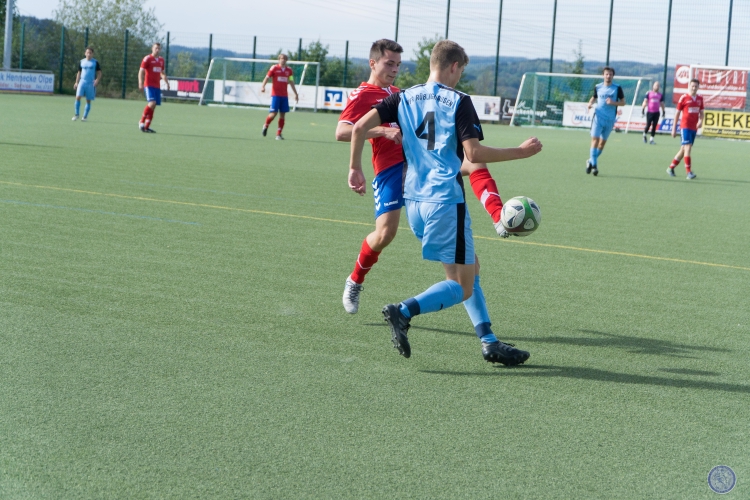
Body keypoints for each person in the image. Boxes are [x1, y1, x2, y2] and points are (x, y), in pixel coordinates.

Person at [349, 40, 542, 365]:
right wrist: (520, 152)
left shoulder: (403, 96)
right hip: (445, 203)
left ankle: (489, 341)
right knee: (461, 286)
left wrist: (355, 168)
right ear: (454, 66)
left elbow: (358, 128)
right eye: (461, 70)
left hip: (415, 202)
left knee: (470, 267)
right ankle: (403, 311)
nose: (460, 76)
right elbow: (474, 154)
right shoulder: (459, 100)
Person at [337, 39, 510, 315]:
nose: (395, 69)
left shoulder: (401, 93)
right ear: (373, 63)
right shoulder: (362, 95)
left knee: (475, 162)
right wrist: (381, 132)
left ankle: (499, 217)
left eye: (398, 64)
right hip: (390, 170)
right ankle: (355, 279)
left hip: (422, 167)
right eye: (389, 64)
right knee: (385, 233)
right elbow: (343, 131)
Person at [585, 67, 625, 175]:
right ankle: (594, 166)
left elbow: (623, 102)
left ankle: (590, 161)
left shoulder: (617, 88)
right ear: (603, 75)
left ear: (613, 76)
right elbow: (594, 97)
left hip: (610, 120)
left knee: (601, 144)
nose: (608, 76)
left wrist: (613, 102)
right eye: (606, 74)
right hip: (598, 118)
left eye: (610, 74)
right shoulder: (598, 87)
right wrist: (589, 104)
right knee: (595, 140)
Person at [669, 78, 703, 180]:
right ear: (689, 86)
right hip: (685, 127)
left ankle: (671, 168)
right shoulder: (683, 98)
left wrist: (701, 121)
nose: (694, 88)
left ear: (698, 87)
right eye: (692, 86)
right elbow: (677, 114)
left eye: (696, 86)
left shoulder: (700, 98)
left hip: (694, 128)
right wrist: (673, 129)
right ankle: (688, 172)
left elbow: (702, 112)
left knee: (683, 149)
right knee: (688, 147)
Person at [261, 54, 299, 140]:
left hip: (284, 96)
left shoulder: (289, 70)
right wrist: (263, 86)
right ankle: (266, 125)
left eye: (285, 59)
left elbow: (291, 82)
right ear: (279, 59)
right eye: (282, 58)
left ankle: (278, 134)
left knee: (282, 115)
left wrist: (296, 94)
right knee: (273, 114)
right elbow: (267, 77)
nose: (283, 60)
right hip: (275, 95)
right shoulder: (274, 68)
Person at [138, 43, 169, 133]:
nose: (157, 50)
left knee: (153, 106)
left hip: (157, 86)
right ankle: (141, 121)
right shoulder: (147, 58)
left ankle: (147, 127)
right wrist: (140, 82)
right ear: (152, 48)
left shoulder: (161, 60)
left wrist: (167, 82)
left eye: (159, 48)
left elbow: (162, 73)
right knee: (152, 103)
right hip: (148, 85)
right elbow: (141, 71)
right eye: (156, 48)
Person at [72, 47, 101, 122]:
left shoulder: (95, 62)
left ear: (92, 54)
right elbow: (79, 73)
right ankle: (76, 114)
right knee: (78, 97)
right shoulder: (81, 62)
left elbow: (99, 73)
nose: (89, 54)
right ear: (85, 53)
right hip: (82, 82)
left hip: (90, 83)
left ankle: (84, 117)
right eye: (87, 53)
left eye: (90, 53)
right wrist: (76, 82)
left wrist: (97, 80)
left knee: (88, 100)